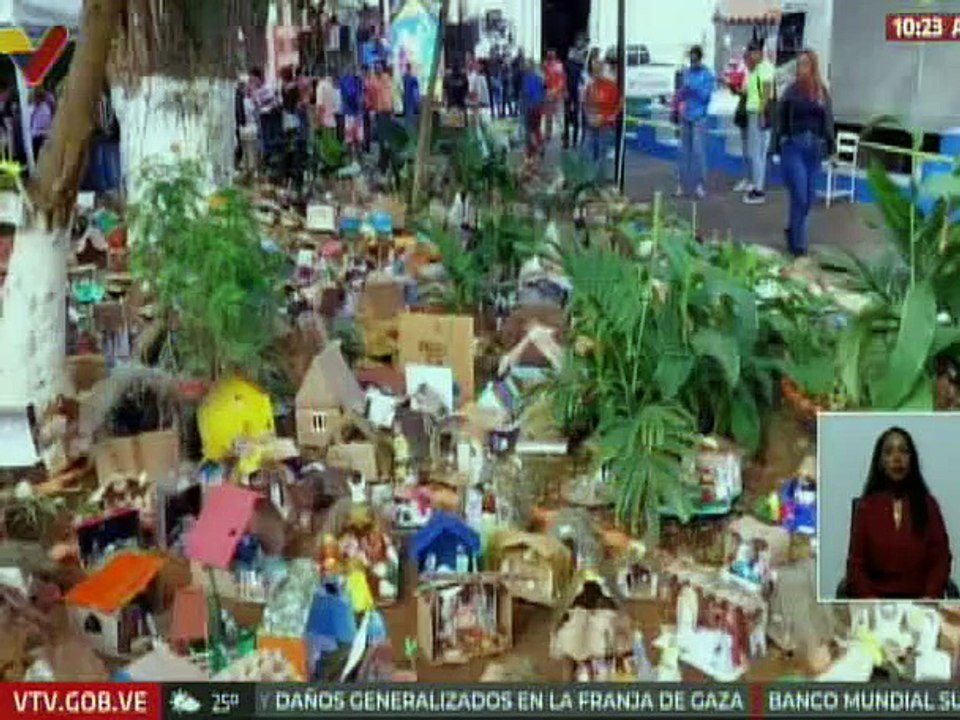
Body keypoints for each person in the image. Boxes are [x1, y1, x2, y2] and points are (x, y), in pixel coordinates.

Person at [844, 427, 951, 600]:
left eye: (903, 451)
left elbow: (941, 560)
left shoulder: (928, 505)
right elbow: (856, 567)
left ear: (912, 460)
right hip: (876, 602)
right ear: (880, 462)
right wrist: (872, 601)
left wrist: (930, 596)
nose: (896, 458)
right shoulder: (866, 507)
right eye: (888, 452)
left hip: (920, 602)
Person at [776, 49, 834, 258]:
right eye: (799, 64)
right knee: (799, 194)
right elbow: (780, 116)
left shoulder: (820, 91)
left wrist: (831, 148)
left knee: (808, 198)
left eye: (806, 64)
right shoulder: (791, 91)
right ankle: (799, 246)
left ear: (813, 66)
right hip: (794, 147)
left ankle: (792, 229)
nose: (802, 68)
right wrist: (780, 141)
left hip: (815, 148)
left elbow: (828, 120)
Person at [675, 46, 714, 199]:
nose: (693, 62)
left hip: (699, 117)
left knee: (698, 152)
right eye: (691, 60)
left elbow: (706, 96)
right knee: (683, 152)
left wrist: (693, 89)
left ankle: (699, 185)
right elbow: (680, 93)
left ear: (700, 58)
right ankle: (681, 184)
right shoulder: (686, 73)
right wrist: (675, 108)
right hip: (685, 115)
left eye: (695, 59)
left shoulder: (707, 75)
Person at [742, 39, 776, 204]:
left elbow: (767, 92)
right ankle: (757, 184)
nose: (750, 56)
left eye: (752, 53)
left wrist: (762, 113)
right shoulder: (756, 68)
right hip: (754, 111)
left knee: (756, 153)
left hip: (758, 112)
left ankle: (758, 190)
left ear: (759, 52)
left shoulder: (766, 67)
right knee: (757, 153)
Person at [583, 51, 621, 184]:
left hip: (605, 126)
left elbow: (618, 106)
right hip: (591, 125)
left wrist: (606, 119)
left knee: (601, 155)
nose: (596, 72)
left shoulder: (610, 86)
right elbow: (586, 105)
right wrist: (589, 117)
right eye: (594, 70)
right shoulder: (590, 86)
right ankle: (588, 181)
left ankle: (598, 182)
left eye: (598, 69)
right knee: (588, 153)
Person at [564, 35, 587, 149]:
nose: (580, 44)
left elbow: (583, 78)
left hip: (578, 91)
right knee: (567, 115)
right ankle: (567, 140)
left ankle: (574, 141)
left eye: (581, 42)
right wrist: (565, 90)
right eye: (579, 41)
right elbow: (565, 76)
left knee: (577, 116)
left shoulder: (583, 62)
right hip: (569, 89)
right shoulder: (569, 61)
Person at [520, 59, 546, 159]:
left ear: (529, 67)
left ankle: (534, 149)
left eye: (526, 65)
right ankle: (540, 145)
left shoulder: (526, 79)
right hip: (538, 107)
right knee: (537, 128)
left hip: (530, 107)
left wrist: (523, 107)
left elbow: (526, 94)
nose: (525, 67)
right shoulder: (539, 78)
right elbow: (543, 92)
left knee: (529, 130)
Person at [340, 64, 364, 155]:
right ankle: (353, 157)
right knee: (351, 137)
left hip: (355, 113)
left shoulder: (358, 81)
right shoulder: (347, 80)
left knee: (356, 137)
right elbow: (348, 95)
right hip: (351, 113)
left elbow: (360, 96)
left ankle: (356, 156)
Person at [543, 49, 566, 144]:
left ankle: (562, 133)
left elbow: (562, 80)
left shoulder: (558, 66)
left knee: (558, 115)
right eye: (549, 55)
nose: (550, 56)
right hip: (549, 94)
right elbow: (544, 80)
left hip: (556, 94)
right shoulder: (545, 66)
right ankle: (549, 134)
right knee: (549, 116)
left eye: (552, 55)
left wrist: (555, 90)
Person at [28, 87, 53, 161]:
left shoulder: (44, 108)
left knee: (41, 160)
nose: (35, 100)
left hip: (41, 137)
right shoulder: (34, 107)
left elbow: (45, 124)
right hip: (37, 137)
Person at [402, 64, 420, 131]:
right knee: (409, 115)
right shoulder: (412, 78)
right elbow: (417, 86)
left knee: (407, 115)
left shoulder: (405, 77)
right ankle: (409, 130)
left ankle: (407, 129)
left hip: (407, 98)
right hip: (410, 98)